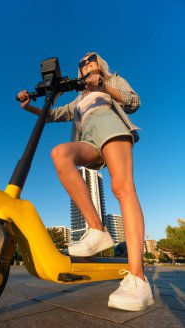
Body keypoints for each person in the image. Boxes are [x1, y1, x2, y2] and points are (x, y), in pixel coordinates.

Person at [17, 52, 154, 312]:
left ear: (99, 63)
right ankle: (97, 229)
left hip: (111, 127)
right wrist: (30, 106)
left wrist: (105, 86)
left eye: (91, 60)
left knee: (122, 189)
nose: (86, 63)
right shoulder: (79, 98)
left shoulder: (113, 79)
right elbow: (52, 115)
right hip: (89, 138)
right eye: (82, 63)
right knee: (60, 153)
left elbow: (134, 102)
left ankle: (138, 278)